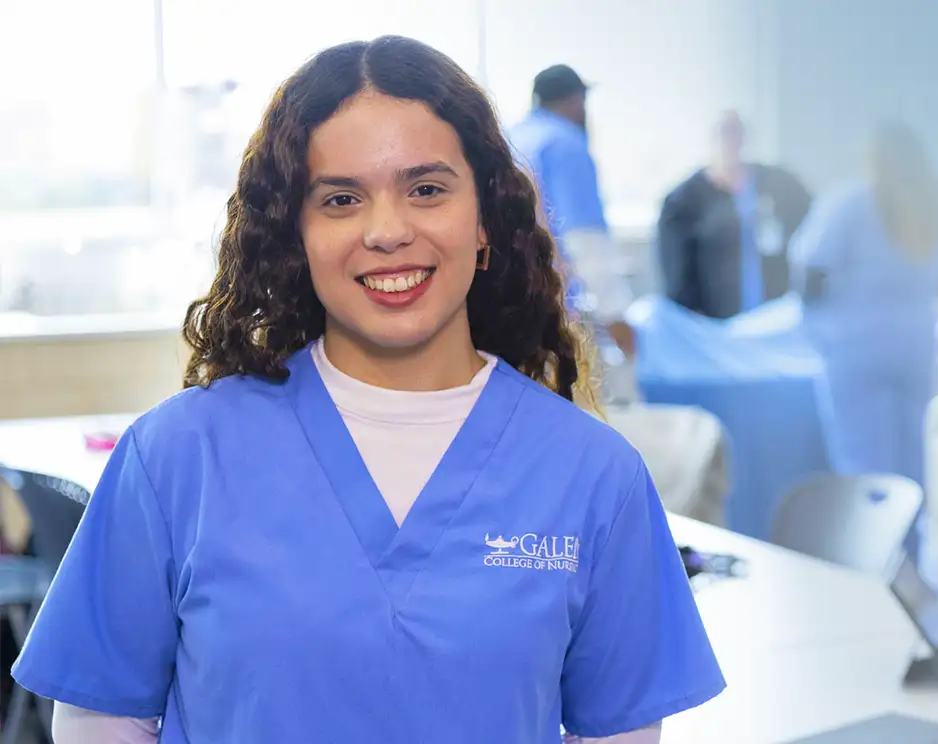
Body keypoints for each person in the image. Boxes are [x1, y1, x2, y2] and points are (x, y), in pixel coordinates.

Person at [10, 37, 723, 744]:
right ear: (298, 234)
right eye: (342, 199)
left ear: (484, 222)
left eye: (427, 189)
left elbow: (617, 733)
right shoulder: (176, 459)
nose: (387, 231)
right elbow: (103, 716)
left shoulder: (594, 476)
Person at [788, 121, 938, 565]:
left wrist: (816, 324)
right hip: (915, 348)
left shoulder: (851, 203)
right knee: (912, 470)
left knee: (864, 473)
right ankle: (912, 569)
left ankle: (870, 568)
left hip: (855, 350)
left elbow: (810, 269)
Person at [507, 64, 639, 405]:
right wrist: (618, 321)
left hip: (503, 315)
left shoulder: (509, 138)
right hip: (555, 316)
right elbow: (586, 242)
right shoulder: (565, 144)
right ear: (576, 101)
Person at [656, 111, 813, 319]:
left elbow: (813, 240)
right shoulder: (683, 202)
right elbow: (677, 279)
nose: (730, 142)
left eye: (736, 133)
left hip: (779, 320)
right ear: (712, 140)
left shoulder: (783, 187)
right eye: (724, 134)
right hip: (714, 327)